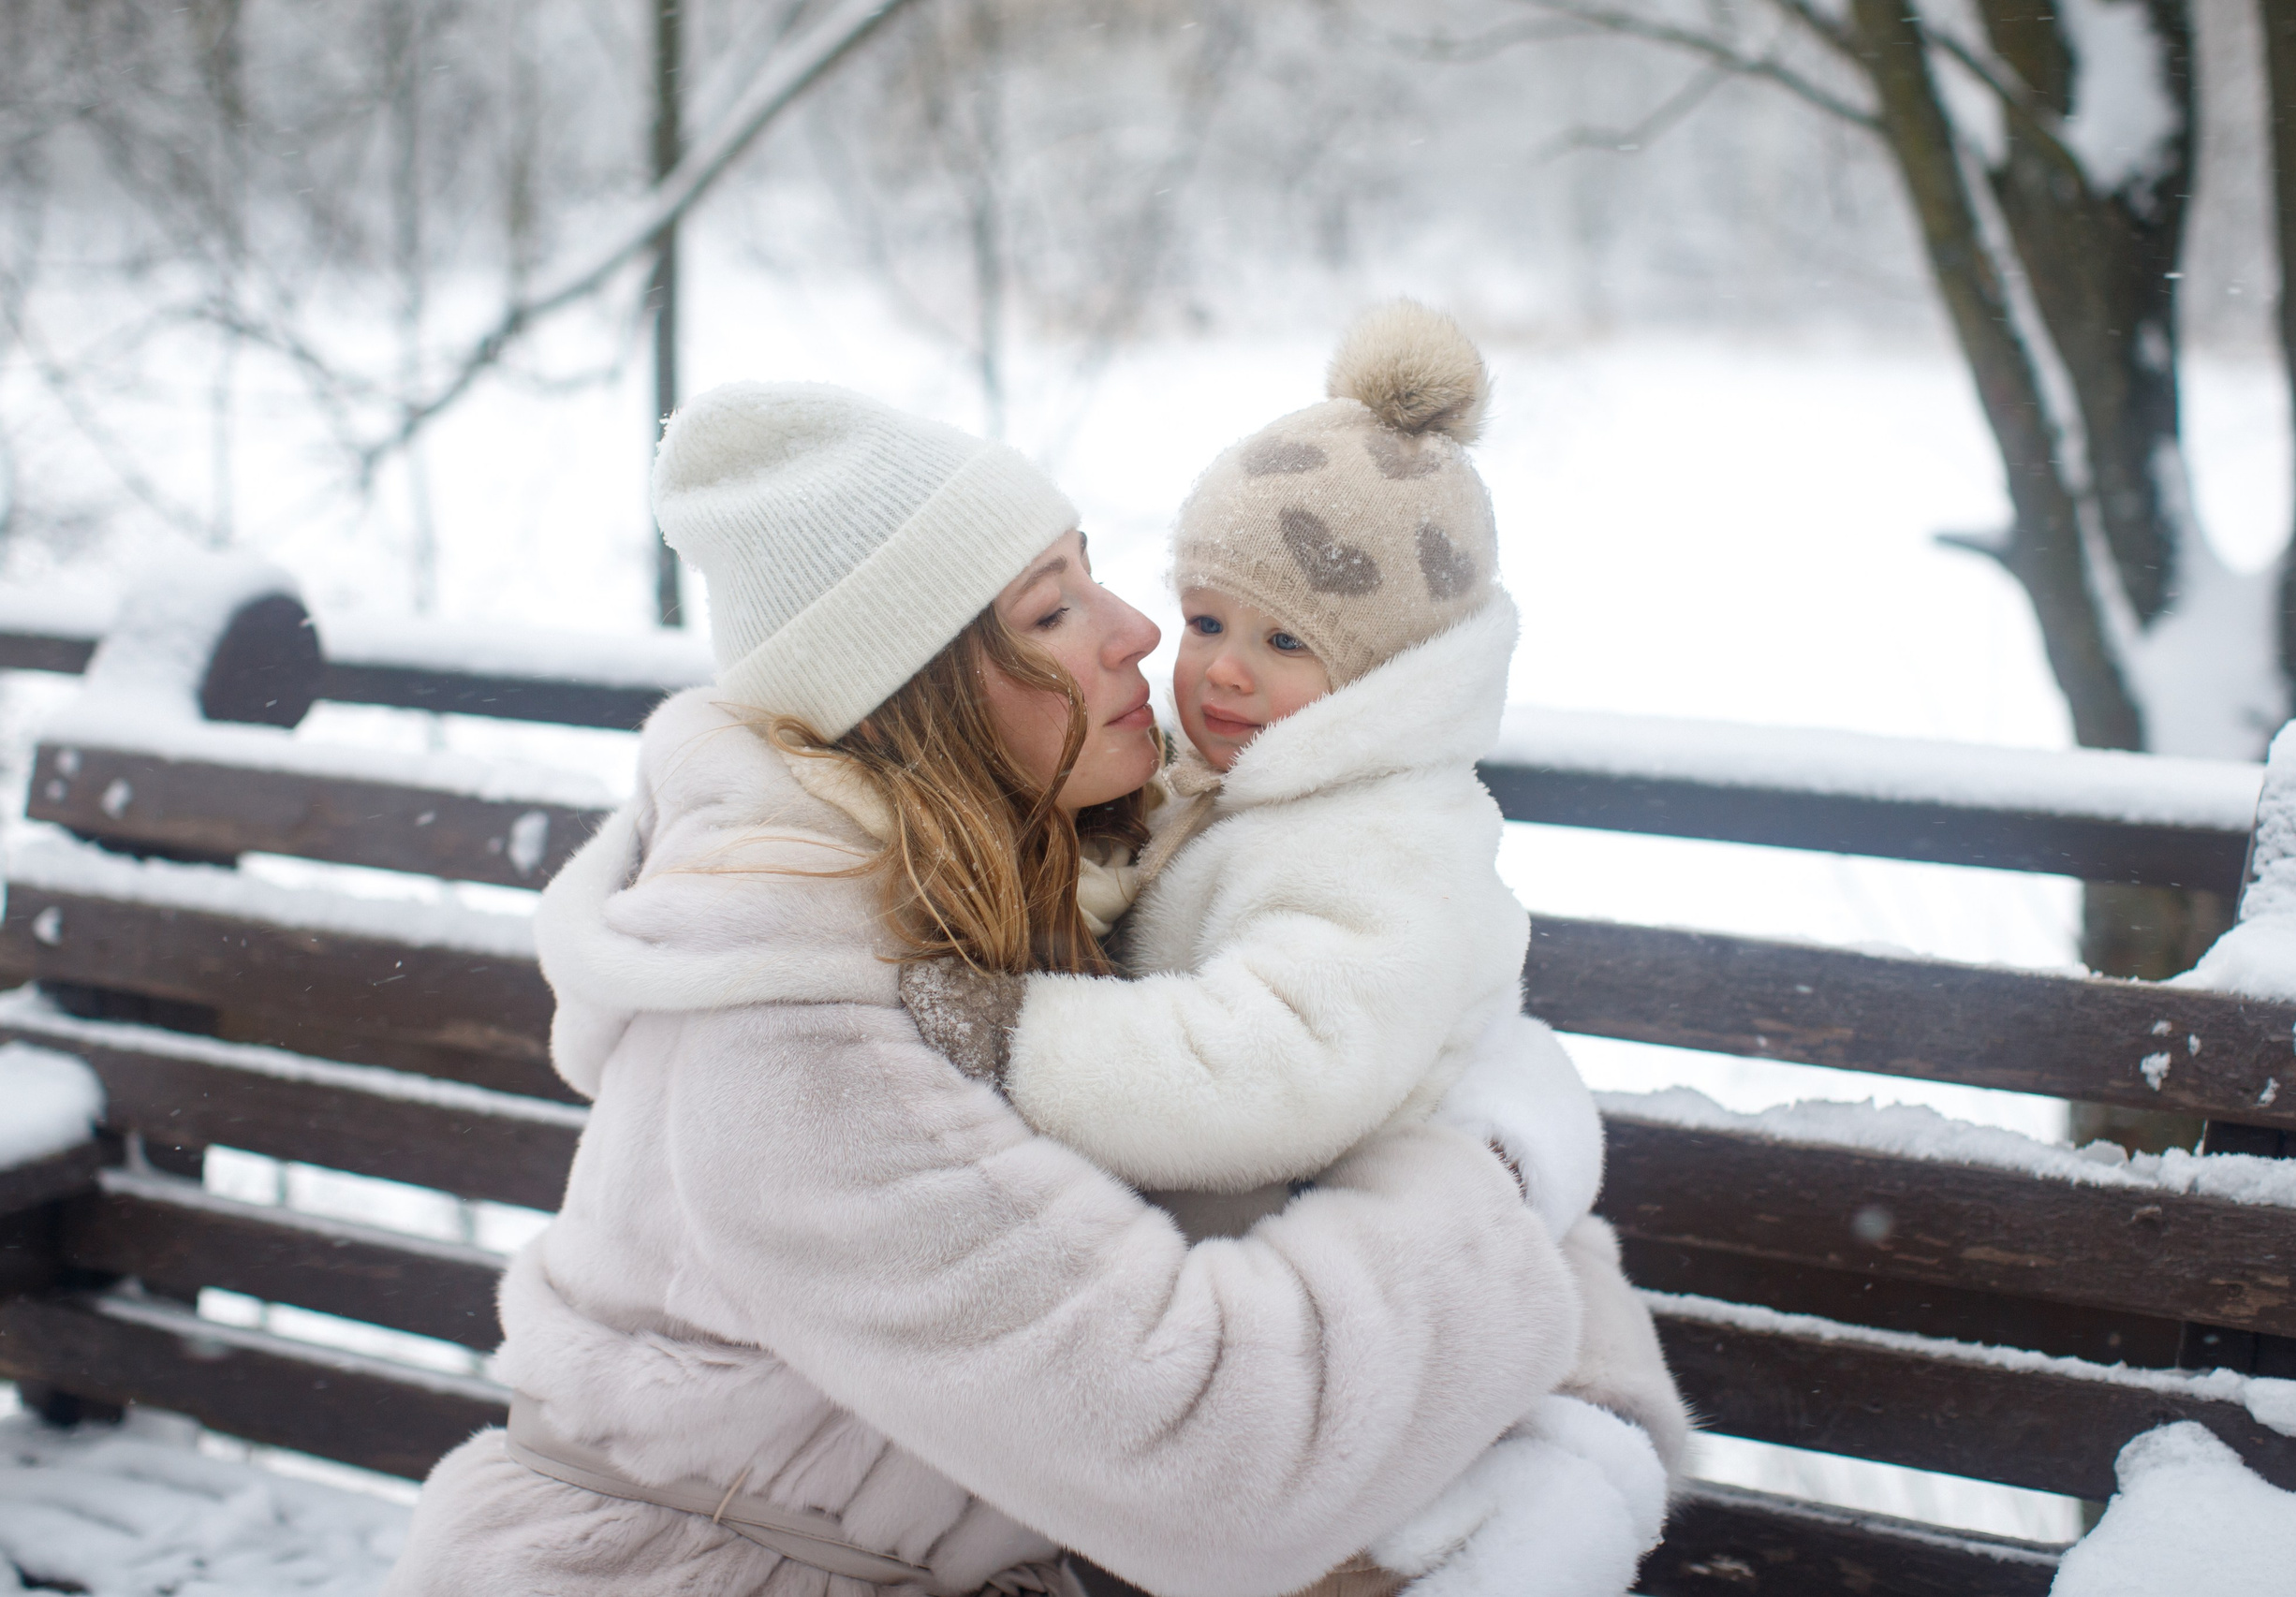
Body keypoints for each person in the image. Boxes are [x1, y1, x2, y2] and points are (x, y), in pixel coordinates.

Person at [381, 380, 1613, 1597]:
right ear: (921, 693)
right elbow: (1223, 1459)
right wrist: (1494, 1170)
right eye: (1053, 609)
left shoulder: (1016, 885)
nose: (1138, 633)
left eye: (1094, 575)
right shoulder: (791, 1046)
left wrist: (1580, 1414)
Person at [895, 304, 1687, 1597]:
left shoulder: (1384, 842)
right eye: (1207, 619)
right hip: (1272, 1293)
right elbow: (1140, 880)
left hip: (1381, 1325)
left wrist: (1019, 1032)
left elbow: (1267, 1069)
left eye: (1284, 643)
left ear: (1384, 677)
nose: (1221, 672)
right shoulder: (1236, 782)